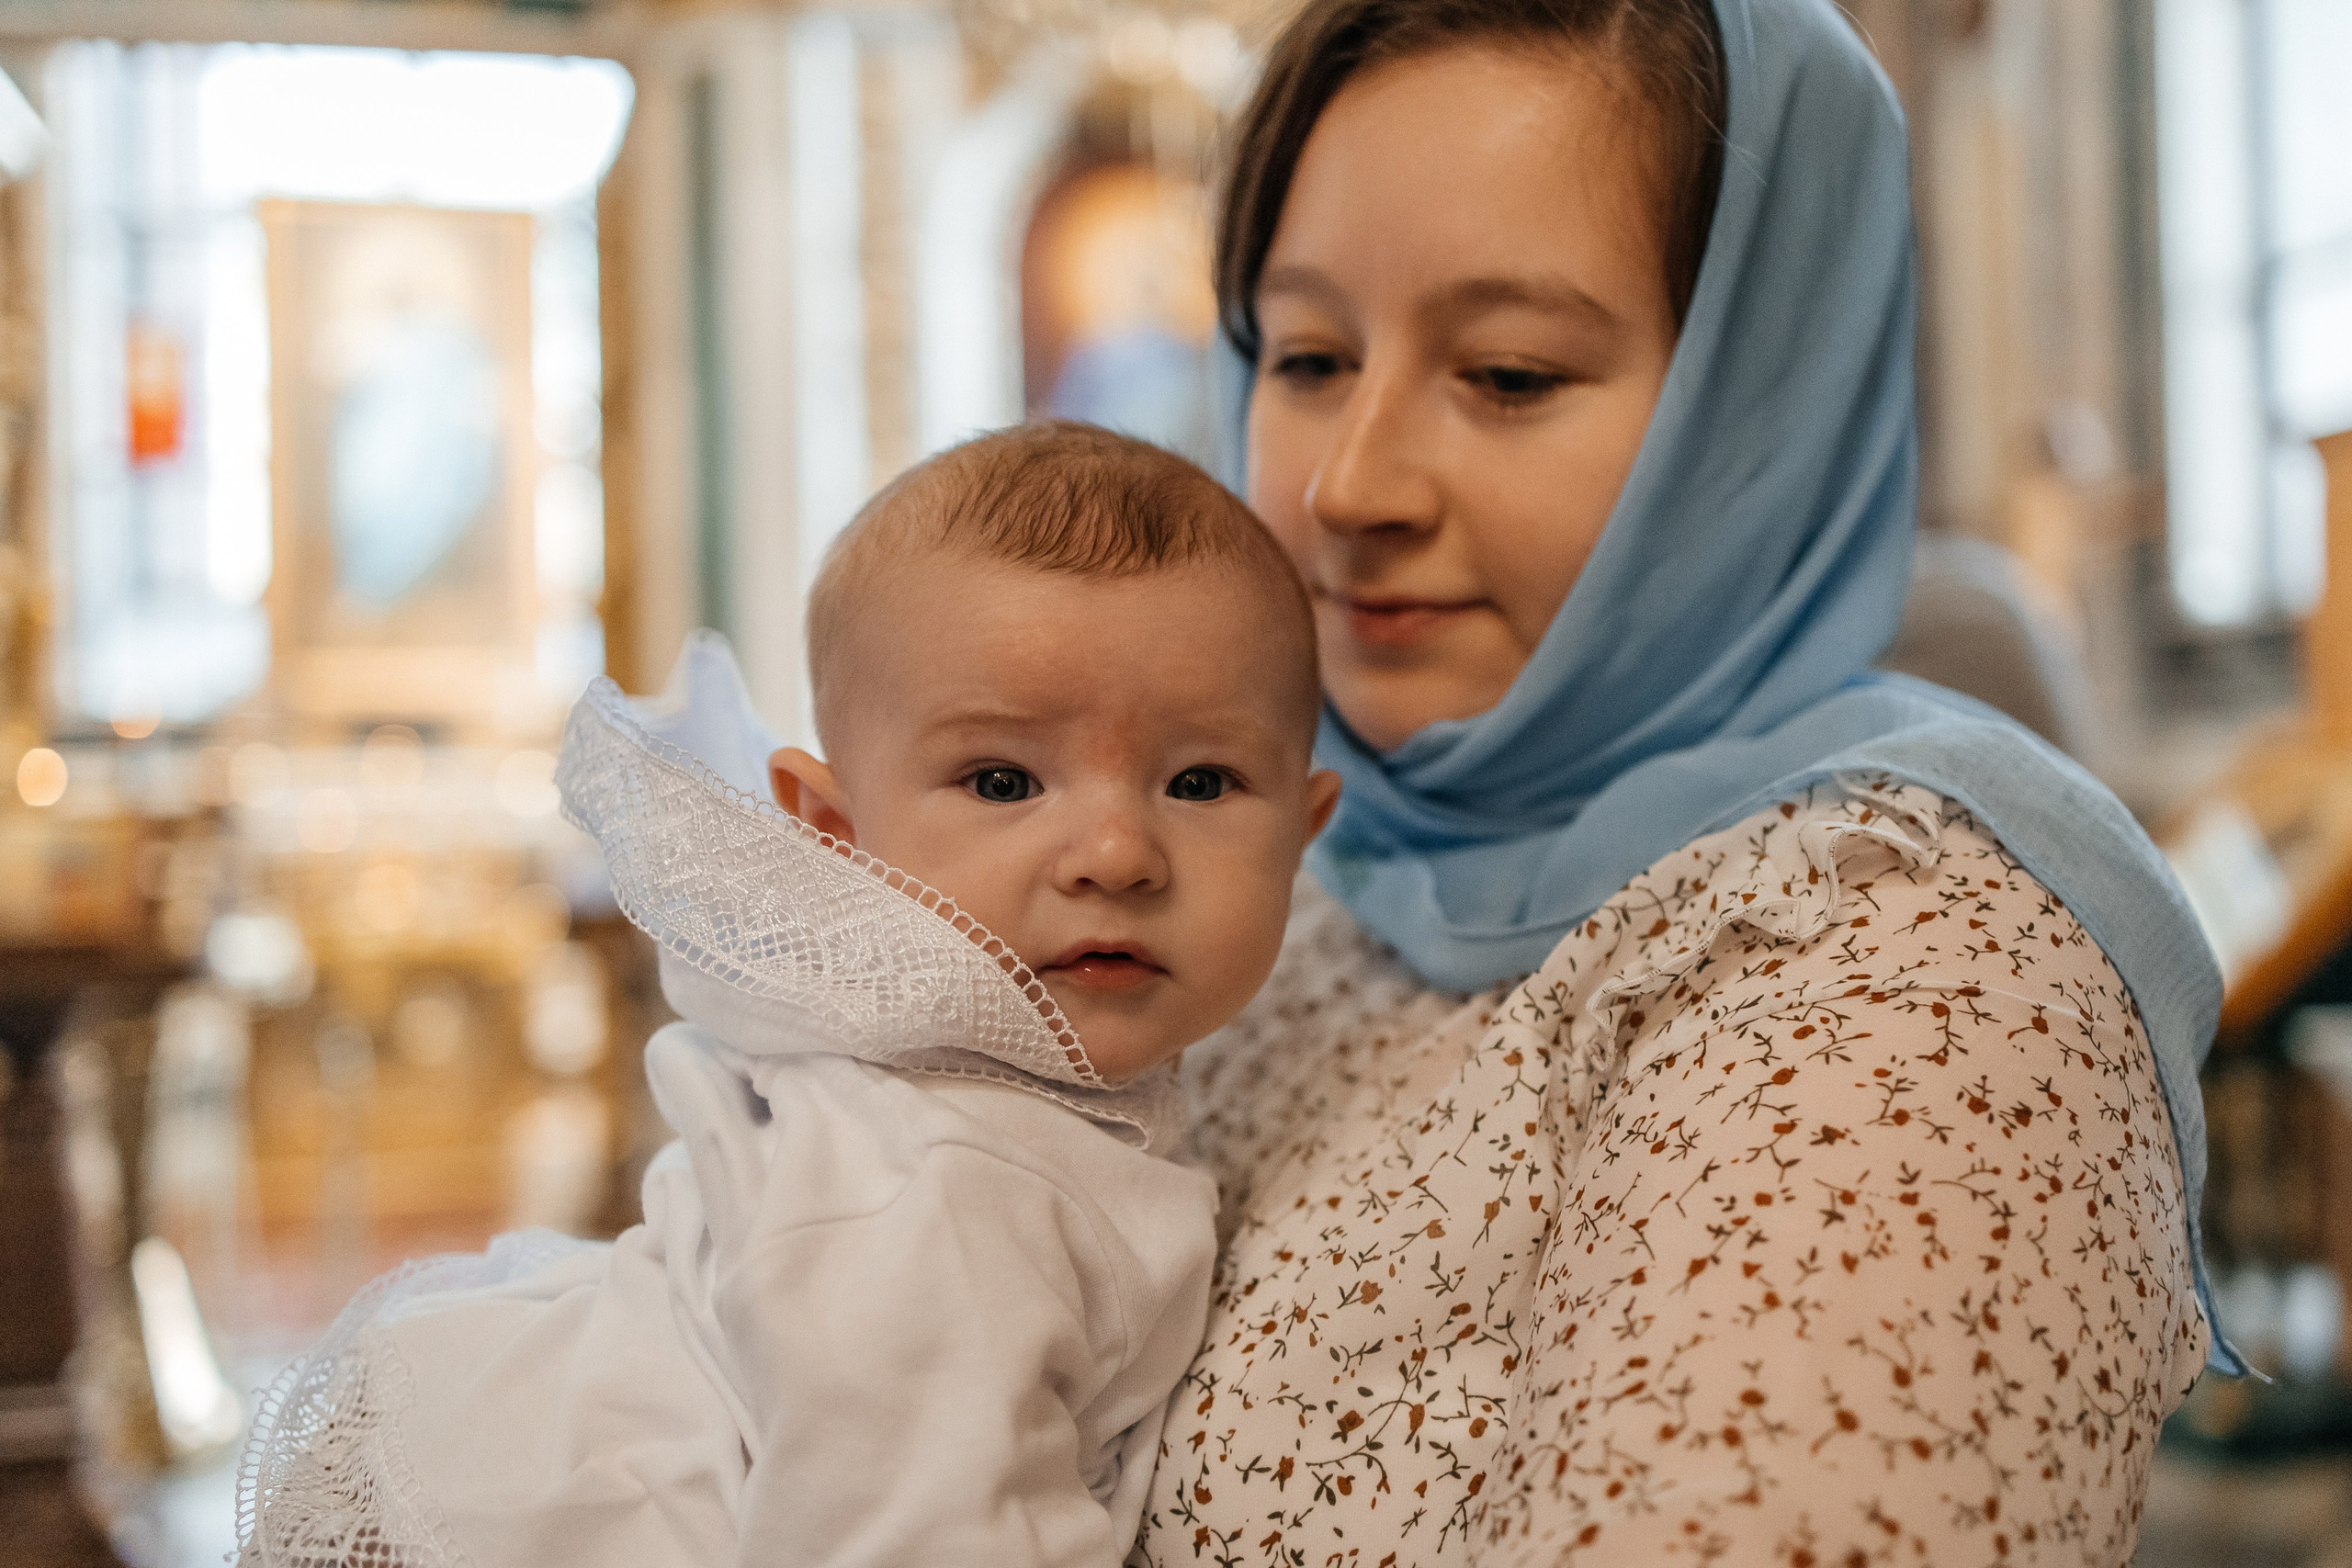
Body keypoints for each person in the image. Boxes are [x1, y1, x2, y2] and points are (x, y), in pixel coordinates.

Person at [1132, 1, 2232, 1563]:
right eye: (1307, 354)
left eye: (1508, 375)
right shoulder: (1283, 863)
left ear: (1761, 408)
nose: (1346, 485)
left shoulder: (1904, 962)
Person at [237, 423, 1341, 1568]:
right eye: (1004, 781)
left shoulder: (996, 1099)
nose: (1116, 853)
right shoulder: (945, 1180)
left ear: (1302, 837)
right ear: (836, 834)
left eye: (1200, 782)